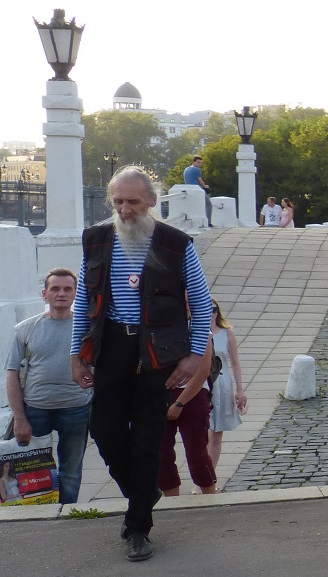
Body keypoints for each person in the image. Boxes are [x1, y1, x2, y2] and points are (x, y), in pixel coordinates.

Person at [70, 166, 214, 562]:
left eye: (133, 201)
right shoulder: (96, 240)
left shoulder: (175, 244)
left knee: (150, 437)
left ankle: (138, 528)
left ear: (152, 200)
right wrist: (75, 354)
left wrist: (192, 354)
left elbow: (201, 306)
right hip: (112, 345)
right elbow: (84, 302)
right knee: (103, 428)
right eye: (118, 201)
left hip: (158, 351)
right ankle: (142, 492)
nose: (125, 209)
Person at [5, 268, 91, 504]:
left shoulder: (88, 329)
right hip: (36, 410)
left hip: (76, 409)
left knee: (71, 471)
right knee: (31, 472)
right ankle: (39, 513)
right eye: (55, 288)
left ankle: (67, 513)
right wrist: (19, 418)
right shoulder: (25, 329)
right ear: (45, 294)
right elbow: (12, 373)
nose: (61, 293)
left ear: (75, 294)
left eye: (67, 289)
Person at [158, 323, 217, 497]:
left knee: (196, 453)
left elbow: (203, 370)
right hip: (162, 393)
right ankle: (172, 502)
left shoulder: (199, 327)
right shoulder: (157, 322)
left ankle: (209, 497)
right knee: (162, 454)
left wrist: (179, 403)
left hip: (193, 394)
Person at [206, 300, 247, 469]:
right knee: (201, 433)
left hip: (222, 383)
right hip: (202, 384)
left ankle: (210, 477)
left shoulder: (227, 333)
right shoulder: (195, 331)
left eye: (214, 309)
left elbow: (235, 362)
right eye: (207, 309)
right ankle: (201, 478)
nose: (211, 313)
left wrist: (240, 390)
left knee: (216, 433)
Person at [184, 156, 210, 226]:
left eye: (201, 163)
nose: (200, 164)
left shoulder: (186, 169)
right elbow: (200, 181)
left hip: (189, 190)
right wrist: (205, 186)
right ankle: (208, 222)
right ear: (193, 162)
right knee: (208, 204)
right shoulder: (196, 170)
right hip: (198, 190)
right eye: (198, 162)